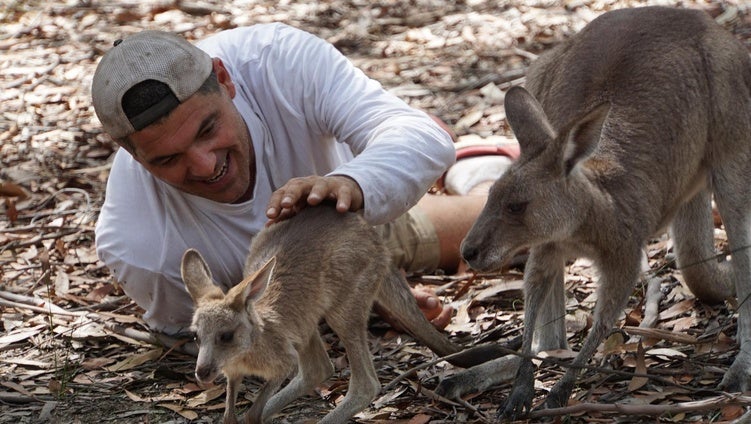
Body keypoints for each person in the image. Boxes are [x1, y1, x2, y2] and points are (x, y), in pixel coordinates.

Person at [91, 24, 516, 336]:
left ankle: (476, 163)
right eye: (168, 159)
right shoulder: (143, 250)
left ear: (225, 80)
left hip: (347, 212)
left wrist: (352, 183)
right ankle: (467, 166)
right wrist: (359, 300)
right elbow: (230, 337)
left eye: (207, 130)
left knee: (499, 221)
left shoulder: (275, 60)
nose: (204, 166)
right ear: (131, 156)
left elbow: (424, 139)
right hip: (314, 266)